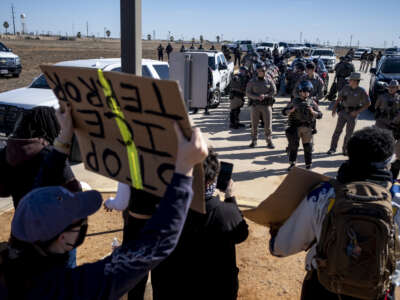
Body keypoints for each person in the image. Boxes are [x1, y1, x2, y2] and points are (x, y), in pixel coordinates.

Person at [0, 105, 209, 300]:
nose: (83, 224)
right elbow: (154, 245)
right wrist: (183, 171)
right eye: (78, 223)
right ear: (63, 238)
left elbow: (40, 190)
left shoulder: (16, 252)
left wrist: (63, 138)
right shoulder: (69, 288)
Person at [270, 126, 400, 300]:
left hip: (325, 288)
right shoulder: (397, 199)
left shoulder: (324, 194)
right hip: (377, 291)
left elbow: (281, 248)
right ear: (388, 162)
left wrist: (274, 234)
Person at [151, 149, 249, 300]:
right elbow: (241, 233)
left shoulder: (165, 211)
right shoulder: (227, 213)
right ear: (212, 179)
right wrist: (231, 198)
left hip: (173, 290)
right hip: (216, 291)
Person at [0, 106, 81, 209]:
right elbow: (73, 190)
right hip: (52, 219)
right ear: (50, 126)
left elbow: (3, 191)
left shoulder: (6, 152)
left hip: (22, 220)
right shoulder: (52, 155)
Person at [283, 81, 323, 170]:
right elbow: (284, 111)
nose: (306, 93)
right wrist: (291, 110)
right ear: (300, 91)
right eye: (304, 91)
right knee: (294, 146)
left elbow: (320, 115)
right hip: (295, 128)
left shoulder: (312, 102)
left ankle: (308, 165)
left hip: (307, 129)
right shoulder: (294, 101)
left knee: (307, 147)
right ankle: (292, 163)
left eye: (307, 91)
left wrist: (313, 112)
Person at [328, 72, 370, 155]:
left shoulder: (362, 91)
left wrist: (357, 112)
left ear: (355, 81)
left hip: (352, 114)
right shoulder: (346, 88)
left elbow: (368, 104)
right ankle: (332, 148)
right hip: (343, 112)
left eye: (350, 80)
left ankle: (345, 150)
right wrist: (334, 108)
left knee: (349, 133)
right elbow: (339, 98)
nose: (349, 81)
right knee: (337, 131)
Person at [246, 63, 277, 149]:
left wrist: (265, 96)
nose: (262, 72)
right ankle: (254, 141)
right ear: (257, 71)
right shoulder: (252, 81)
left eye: (263, 71)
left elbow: (274, 91)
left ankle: (269, 141)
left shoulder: (269, 81)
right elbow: (248, 92)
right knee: (254, 125)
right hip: (255, 106)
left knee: (268, 125)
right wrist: (256, 97)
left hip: (266, 106)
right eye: (260, 71)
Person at [375, 80, 400, 179]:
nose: (391, 89)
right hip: (382, 122)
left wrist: (395, 122)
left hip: (393, 125)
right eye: (390, 87)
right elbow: (376, 107)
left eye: (394, 87)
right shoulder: (382, 96)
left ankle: (387, 166)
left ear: (397, 88)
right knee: (378, 143)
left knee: (390, 146)